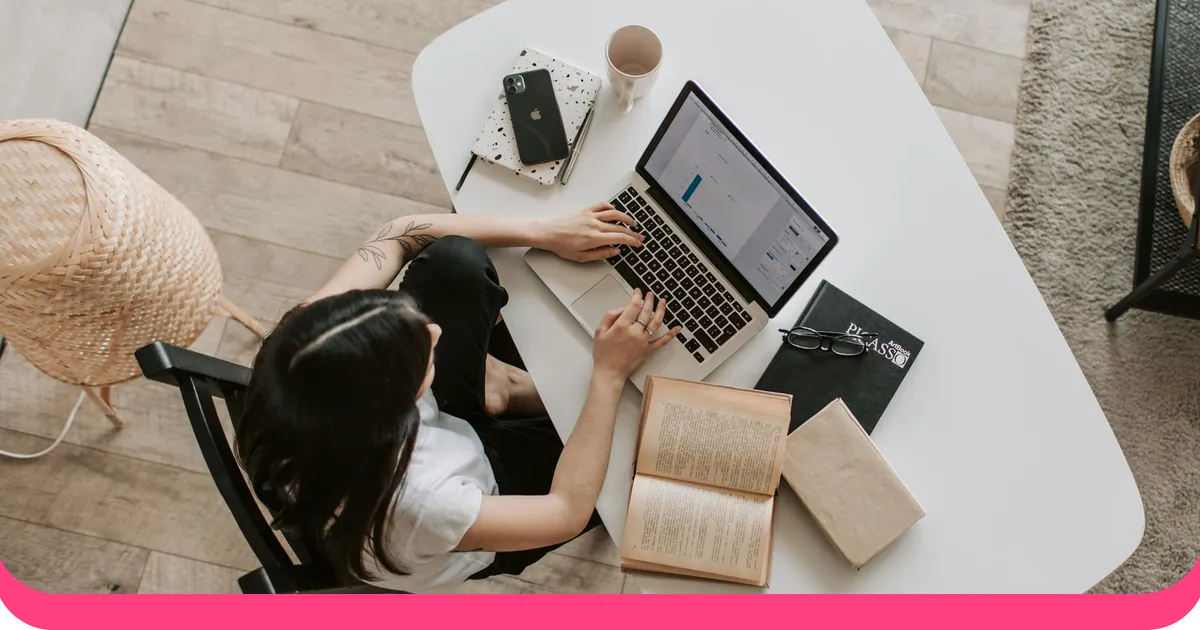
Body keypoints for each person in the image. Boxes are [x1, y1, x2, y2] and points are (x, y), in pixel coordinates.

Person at [234, 203, 681, 593]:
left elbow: (397, 235)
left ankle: (499, 390)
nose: (434, 331)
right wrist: (607, 375)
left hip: (419, 443)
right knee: (648, 443)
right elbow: (564, 511)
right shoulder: (424, 502)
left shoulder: (302, 345)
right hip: (488, 495)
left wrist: (542, 230)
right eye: (420, 356)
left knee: (452, 262)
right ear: (397, 408)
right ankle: (507, 392)